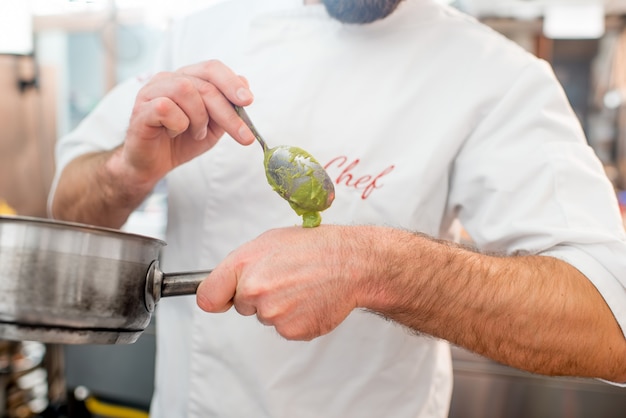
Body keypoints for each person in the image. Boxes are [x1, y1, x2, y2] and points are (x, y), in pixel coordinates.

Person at [49, 0, 626, 416]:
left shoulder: (498, 77)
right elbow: (67, 218)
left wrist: (373, 265)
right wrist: (130, 170)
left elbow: (609, 324)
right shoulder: (199, 33)